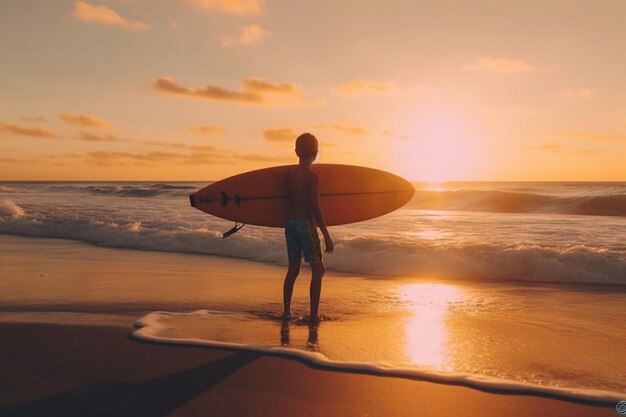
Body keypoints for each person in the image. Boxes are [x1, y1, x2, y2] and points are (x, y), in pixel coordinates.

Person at [282, 133, 334, 324]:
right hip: (305, 224)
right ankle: (313, 315)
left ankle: (286, 312)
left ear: (296, 152)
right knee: (318, 270)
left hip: (290, 224)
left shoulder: (290, 176)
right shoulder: (313, 177)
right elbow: (315, 206)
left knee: (293, 270)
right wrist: (326, 235)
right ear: (316, 153)